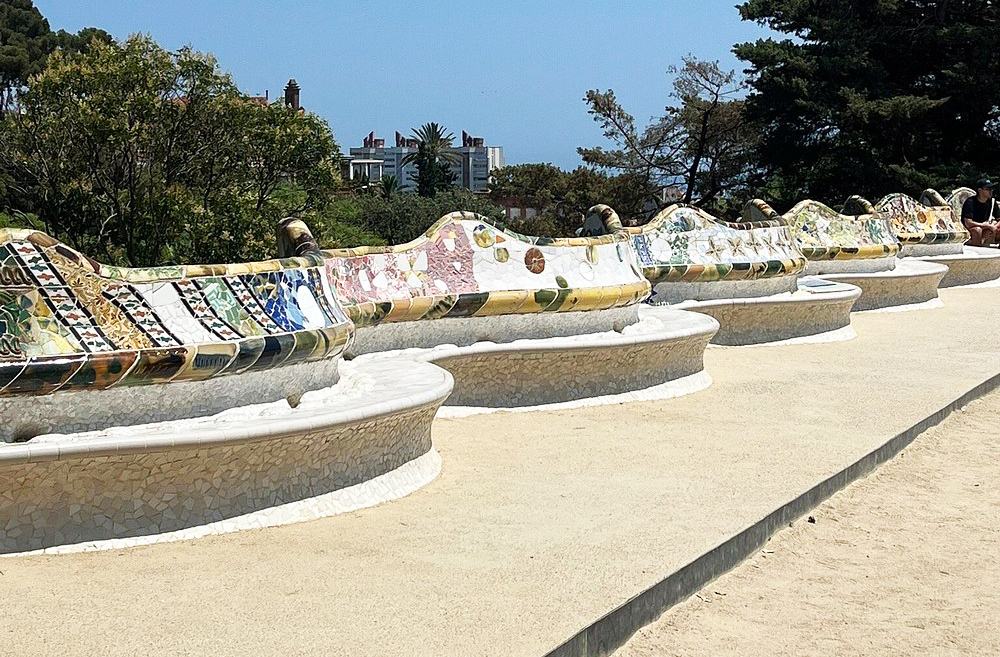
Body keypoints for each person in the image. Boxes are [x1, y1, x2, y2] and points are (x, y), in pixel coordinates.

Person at [961, 178, 1000, 246]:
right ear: (980, 190)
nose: (991, 191)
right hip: (971, 228)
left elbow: (999, 218)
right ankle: (977, 250)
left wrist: (995, 227)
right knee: (977, 230)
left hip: (985, 227)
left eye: (991, 189)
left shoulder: (992, 202)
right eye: (988, 189)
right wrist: (987, 226)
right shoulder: (970, 202)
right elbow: (968, 223)